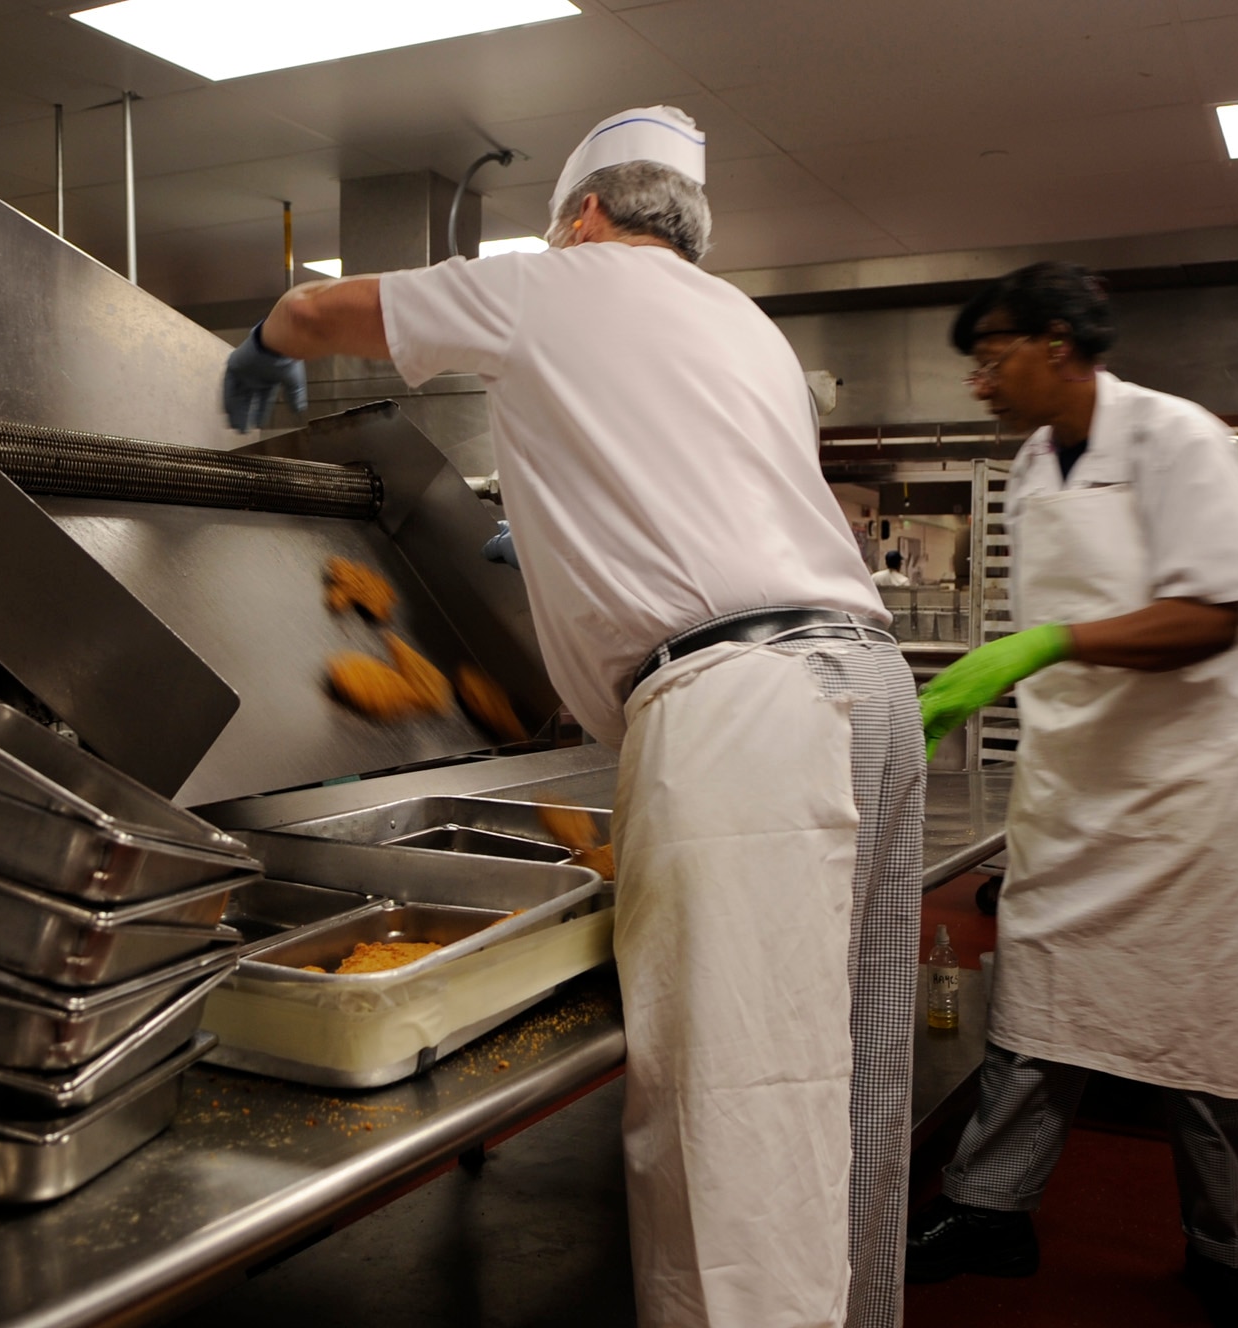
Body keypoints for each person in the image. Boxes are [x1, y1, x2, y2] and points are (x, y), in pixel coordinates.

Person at [222, 106, 926, 1328]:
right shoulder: (746, 326)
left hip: (744, 710)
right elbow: (710, 497)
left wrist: (268, 334)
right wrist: (562, 547)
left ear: (589, 213)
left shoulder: (560, 280)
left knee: (738, 1112)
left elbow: (321, 311)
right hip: (863, 681)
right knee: (848, 1070)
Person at [909, 262, 1238, 1328]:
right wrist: (1017, 673)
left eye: (991, 351)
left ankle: (1229, 1253)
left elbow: (1216, 610)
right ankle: (989, 1207)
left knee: (1205, 1026)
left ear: (1056, 341)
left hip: (1203, 779)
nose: (980, 378)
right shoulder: (1029, 464)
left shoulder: (1173, 435)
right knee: (1040, 997)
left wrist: (1039, 643)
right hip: (1088, 770)